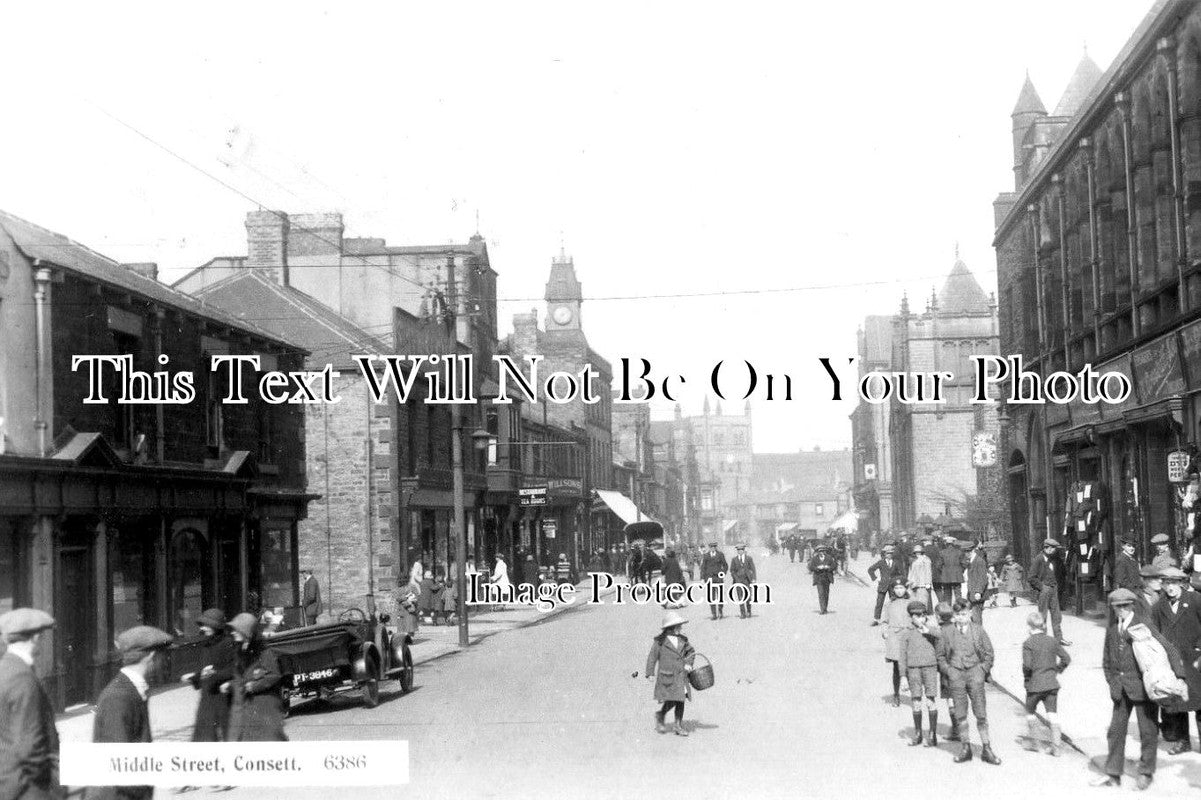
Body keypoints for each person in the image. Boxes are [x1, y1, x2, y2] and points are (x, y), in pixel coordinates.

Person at [1094, 588, 1181, 790]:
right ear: (1113, 608)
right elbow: (1107, 658)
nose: (1122, 610)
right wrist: (1112, 681)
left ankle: (1145, 772)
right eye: (1118, 607)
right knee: (1115, 732)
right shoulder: (1112, 627)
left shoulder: (1143, 625)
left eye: (1125, 606)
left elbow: (1168, 647)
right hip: (1120, 690)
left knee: (1148, 732)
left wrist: (1179, 676)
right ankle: (1113, 773)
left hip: (1143, 690)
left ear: (1132, 605)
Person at [87, 625, 174, 800]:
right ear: (152, 656)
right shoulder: (118, 697)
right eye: (164, 655)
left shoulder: (132, 689)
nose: (166, 661)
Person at [0, 608, 61, 800]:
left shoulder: (5, 668)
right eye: (41, 637)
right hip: (28, 788)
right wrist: (49, 783)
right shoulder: (23, 678)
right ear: (35, 638)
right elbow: (29, 747)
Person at [937, 599, 1000, 765]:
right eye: (957, 614)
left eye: (964, 614)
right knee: (960, 714)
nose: (960, 618)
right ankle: (966, 748)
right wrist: (949, 671)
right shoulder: (947, 632)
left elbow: (989, 653)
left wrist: (982, 670)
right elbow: (940, 656)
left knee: (981, 713)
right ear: (953, 615)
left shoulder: (978, 630)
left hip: (975, 675)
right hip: (956, 676)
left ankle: (987, 748)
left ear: (970, 613)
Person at [1151, 567, 1201, 754]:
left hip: (1195, 660)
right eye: (1166, 583)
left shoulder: (1195, 600)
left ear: (1181, 583)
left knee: (1200, 701)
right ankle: (1183, 741)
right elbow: (1153, 632)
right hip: (1173, 662)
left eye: (1173, 583)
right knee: (1178, 702)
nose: (1170, 587)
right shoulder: (1159, 606)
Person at [225, 612, 287, 742]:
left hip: (265, 704)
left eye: (236, 630)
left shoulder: (263, 651)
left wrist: (254, 686)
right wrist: (231, 685)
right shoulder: (240, 650)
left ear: (246, 632)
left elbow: (274, 675)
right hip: (248, 705)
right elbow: (239, 676)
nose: (233, 633)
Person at [182, 608, 237, 743]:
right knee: (203, 738)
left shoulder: (229, 643)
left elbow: (235, 670)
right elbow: (205, 671)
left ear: (216, 626)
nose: (203, 628)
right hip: (207, 697)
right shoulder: (206, 645)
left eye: (206, 625)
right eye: (202, 625)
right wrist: (193, 677)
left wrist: (215, 674)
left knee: (229, 737)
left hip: (224, 697)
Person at [1021, 611, 1070, 756]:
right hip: (1051, 684)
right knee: (1052, 714)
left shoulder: (1028, 643)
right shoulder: (1052, 641)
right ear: (1042, 625)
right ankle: (1056, 747)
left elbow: (1027, 666)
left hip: (1035, 685)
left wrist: (1027, 680)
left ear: (1030, 626)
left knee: (1030, 712)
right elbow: (1066, 658)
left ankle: (1036, 744)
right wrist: (1056, 670)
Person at [897, 600, 943, 747]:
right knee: (916, 701)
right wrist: (903, 676)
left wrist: (928, 630)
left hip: (930, 667)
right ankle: (918, 734)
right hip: (913, 669)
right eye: (917, 616)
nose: (921, 619)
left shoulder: (930, 629)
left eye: (923, 616)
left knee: (930, 701)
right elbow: (902, 656)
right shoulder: (906, 633)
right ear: (911, 617)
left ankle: (932, 734)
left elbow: (942, 636)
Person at [645, 610, 696, 737]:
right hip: (667, 675)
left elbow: (691, 652)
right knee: (673, 699)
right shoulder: (660, 642)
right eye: (679, 625)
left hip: (681, 675)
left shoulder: (683, 640)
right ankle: (661, 714)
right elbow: (652, 657)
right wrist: (650, 672)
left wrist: (689, 663)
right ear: (671, 628)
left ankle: (678, 725)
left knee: (680, 700)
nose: (681, 627)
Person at [1028, 539, 1070, 646]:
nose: (1055, 551)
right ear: (1048, 548)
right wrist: (1042, 587)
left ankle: (1059, 639)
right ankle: (1043, 640)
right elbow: (1031, 577)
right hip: (1044, 591)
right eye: (1054, 549)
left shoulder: (1055, 559)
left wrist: (1058, 586)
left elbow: (1062, 573)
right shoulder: (1038, 559)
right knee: (1043, 616)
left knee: (1057, 616)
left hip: (1054, 589)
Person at [882, 579, 911, 707]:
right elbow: (885, 620)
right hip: (894, 636)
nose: (899, 591)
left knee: (910, 665)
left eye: (902, 588)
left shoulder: (911, 602)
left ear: (906, 589)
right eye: (897, 588)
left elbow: (919, 617)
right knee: (896, 667)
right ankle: (896, 695)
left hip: (908, 635)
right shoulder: (889, 604)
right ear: (893, 590)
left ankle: (915, 694)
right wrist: (885, 631)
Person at [868, 544, 906, 626]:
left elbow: (901, 573)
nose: (889, 555)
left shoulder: (895, 563)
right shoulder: (881, 562)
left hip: (892, 586)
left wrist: (898, 581)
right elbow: (870, 570)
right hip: (883, 585)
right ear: (884, 554)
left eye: (891, 553)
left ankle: (895, 619)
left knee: (894, 602)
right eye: (888, 553)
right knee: (879, 602)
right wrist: (876, 578)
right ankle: (876, 619)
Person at [393, 562, 423, 638]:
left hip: (404, 608)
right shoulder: (411, 586)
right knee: (409, 624)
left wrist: (405, 598)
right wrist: (408, 598)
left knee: (403, 624)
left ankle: (405, 638)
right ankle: (409, 637)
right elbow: (416, 596)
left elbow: (397, 598)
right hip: (409, 608)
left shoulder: (398, 588)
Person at [701, 542, 728, 620]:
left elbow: (725, 565)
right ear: (709, 548)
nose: (713, 548)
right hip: (709, 579)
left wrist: (723, 573)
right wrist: (702, 578)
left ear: (716, 547)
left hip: (718, 578)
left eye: (714, 547)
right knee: (711, 597)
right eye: (711, 547)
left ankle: (720, 611)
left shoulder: (720, 554)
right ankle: (714, 614)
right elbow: (703, 567)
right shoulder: (706, 556)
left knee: (720, 596)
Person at [808, 543, 838, 614]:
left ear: (825, 551)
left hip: (827, 577)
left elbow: (834, 566)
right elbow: (811, 567)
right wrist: (817, 568)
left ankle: (825, 608)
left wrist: (828, 568)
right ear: (817, 552)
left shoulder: (829, 558)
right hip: (818, 578)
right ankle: (822, 609)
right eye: (820, 551)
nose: (821, 552)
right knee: (821, 594)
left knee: (826, 594)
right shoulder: (814, 559)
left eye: (823, 551)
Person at [964, 540, 989, 624]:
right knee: (972, 616)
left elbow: (983, 578)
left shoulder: (979, 561)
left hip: (977, 594)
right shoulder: (971, 561)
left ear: (970, 551)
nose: (964, 554)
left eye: (966, 552)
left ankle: (978, 635)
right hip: (972, 593)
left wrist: (978, 592)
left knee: (976, 617)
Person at [729, 543, 757, 618]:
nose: (740, 551)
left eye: (741, 550)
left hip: (747, 580)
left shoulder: (749, 558)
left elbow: (753, 569)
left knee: (748, 597)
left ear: (744, 550)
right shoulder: (734, 559)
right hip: (738, 581)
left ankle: (748, 611)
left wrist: (753, 578)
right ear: (737, 551)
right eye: (738, 550)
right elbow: (732, 570)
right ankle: (742, 613)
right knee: (740, 597)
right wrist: (736, 578)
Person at [906, 544, 934, 613]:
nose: (917, 554)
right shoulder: (913, 560)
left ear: (922, 552)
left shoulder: (926, 559)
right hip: (914, 583)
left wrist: (928, 583)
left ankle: (923, 614)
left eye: (919, 552)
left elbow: (928, 572)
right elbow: (911, 572)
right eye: (916, 552)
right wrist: (909, 581)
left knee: (923, 600)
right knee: (914, 600)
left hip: (922, 583)